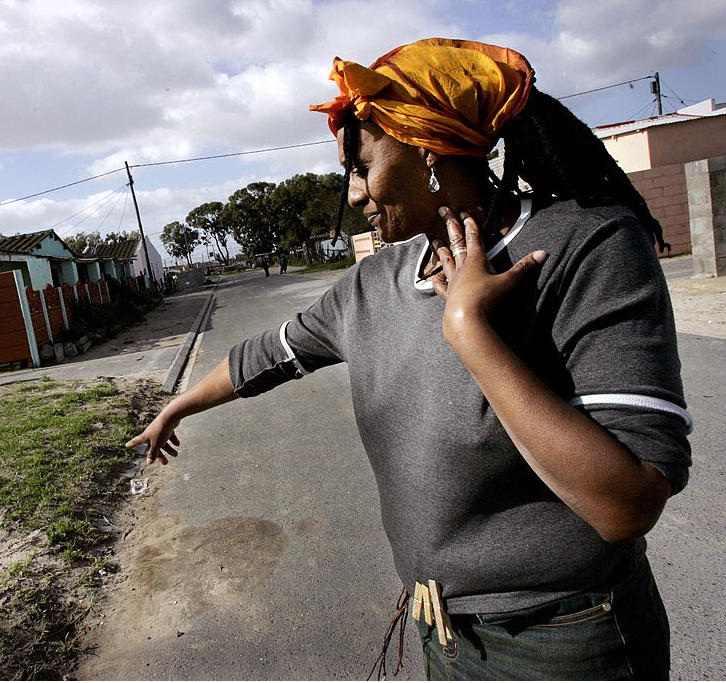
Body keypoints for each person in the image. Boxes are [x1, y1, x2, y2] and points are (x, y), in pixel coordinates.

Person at [126, 38, 691, 680]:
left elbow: (626, 505)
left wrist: (470, 333)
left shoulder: (583, 246)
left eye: (363, 167)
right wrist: (178, 406)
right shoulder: (376, 283)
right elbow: (269, 354)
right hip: (441, 628)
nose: (358, 194)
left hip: (562, 639)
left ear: (425, 147)